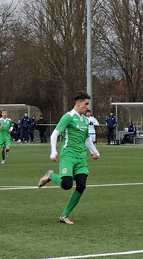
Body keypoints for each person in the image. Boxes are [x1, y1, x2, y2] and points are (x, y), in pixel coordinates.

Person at [37, 90, 100, 225]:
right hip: (68, 156)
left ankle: (64, 215)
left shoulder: (85, 120)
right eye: (86, 104)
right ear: (78, 103)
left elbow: (87, 139)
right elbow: (54, 134)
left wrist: (95, 151)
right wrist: (53, 152)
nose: (87, 107)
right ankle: (50, 175)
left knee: (81, 185)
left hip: (81, 158)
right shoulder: (68, 117)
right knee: (67, 185)